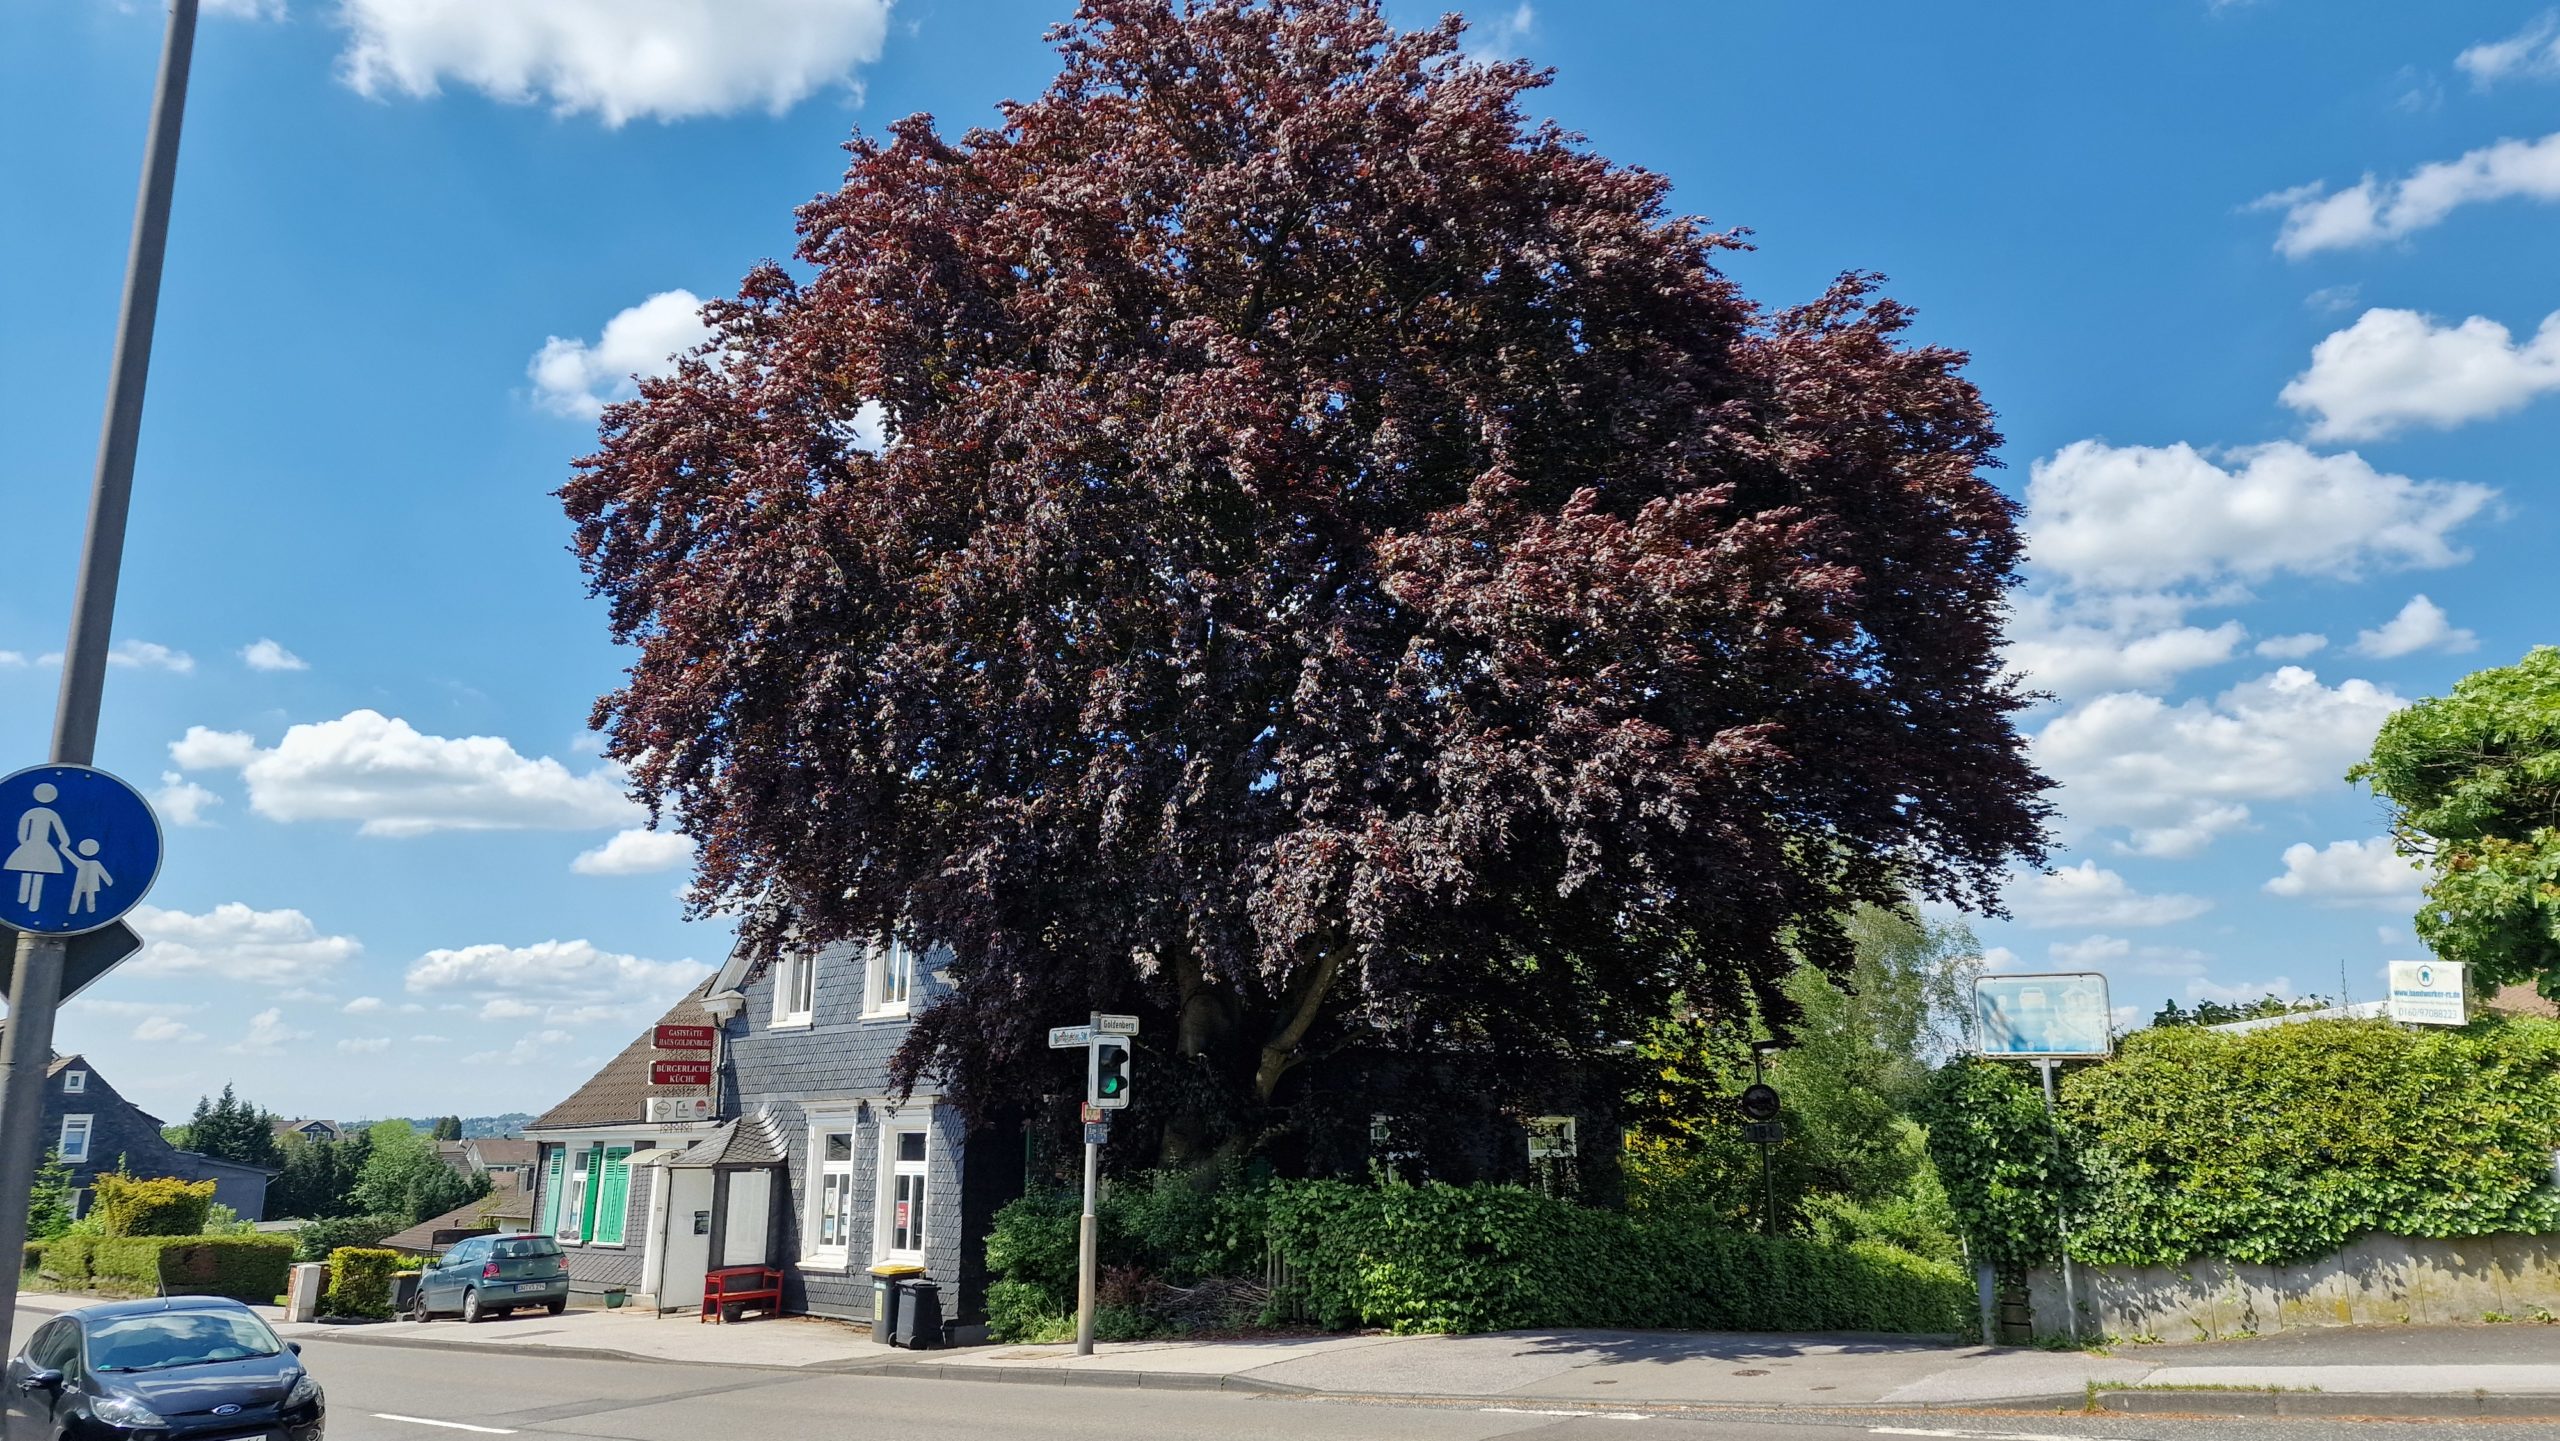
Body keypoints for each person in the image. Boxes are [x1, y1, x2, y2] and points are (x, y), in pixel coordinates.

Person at [7, 783, 71, 911]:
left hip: (32, 845)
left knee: (29, 871)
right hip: (39, 846)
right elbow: (60, 830)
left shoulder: (33, 812)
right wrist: (65, 842)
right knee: (36, 873)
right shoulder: (49, 813)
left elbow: (23, 829)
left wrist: (24, 842)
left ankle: (26, 900)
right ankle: (30, 902)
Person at [63, 838, 112, 917]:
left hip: (87, 883)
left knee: (85, 896)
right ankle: (76, 911)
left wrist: (64, 849)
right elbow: (104, 874)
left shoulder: (88, 863)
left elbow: (103, 873)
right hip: (84, 883)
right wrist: (109, 882)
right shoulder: (90, 863)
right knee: (83, 895)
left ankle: (85, 911)